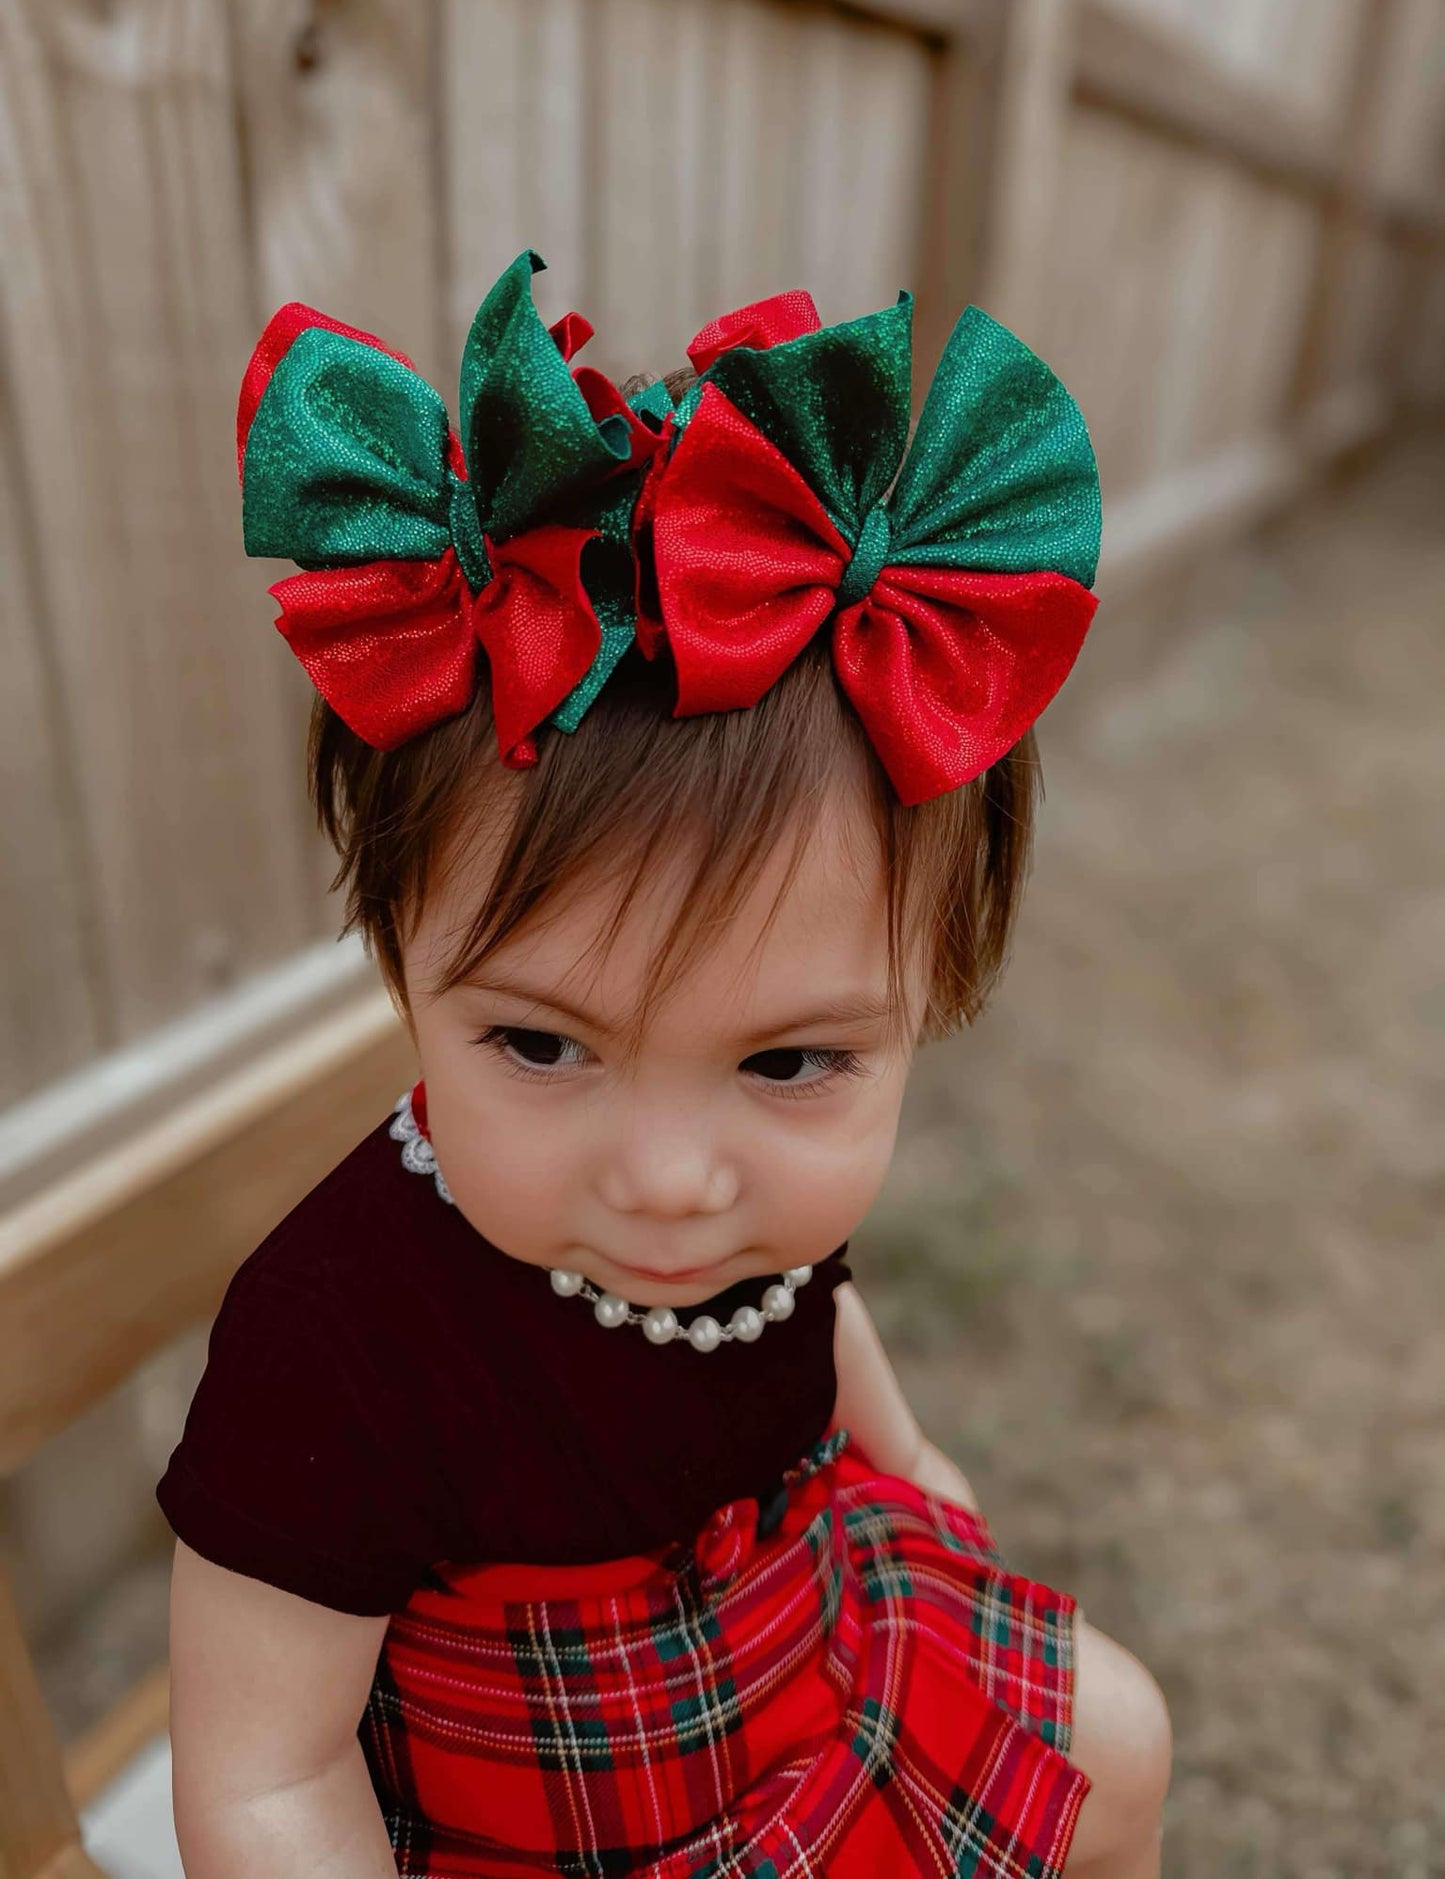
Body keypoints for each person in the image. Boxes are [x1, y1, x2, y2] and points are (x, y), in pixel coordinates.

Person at [158, 250, 1171, 1876]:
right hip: (569, 1810)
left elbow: (811, 1317)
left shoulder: (744, 1206)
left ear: (932, 992)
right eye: (542, 1043)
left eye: (789, 1064)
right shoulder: (336, 1347)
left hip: (792, 1643)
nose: (671, 1180)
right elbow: (265, 1780)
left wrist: (911, 1472)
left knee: (1112, 1738)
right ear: (399, 959)